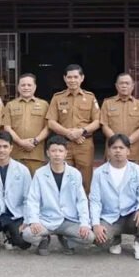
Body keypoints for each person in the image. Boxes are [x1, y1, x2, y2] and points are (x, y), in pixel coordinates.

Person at [22, 136, 95, 256]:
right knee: (27, 234)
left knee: (89, 237)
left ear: (66, 153)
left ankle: (67, 240)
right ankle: (44, 239)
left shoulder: (74, 174)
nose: (57, 154)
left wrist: (84, 224)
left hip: (68, 220)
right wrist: (34, 221)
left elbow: (81, 200)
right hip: (46, 220)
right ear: (48, 153)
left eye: (60, 151)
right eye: (53, 151)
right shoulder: (40, 174)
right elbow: (33, 199)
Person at [89, 134, 139, 261]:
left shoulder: (137, 170)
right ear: (108, 151)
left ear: (128, 151)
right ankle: (115, 240)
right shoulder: (99, 173)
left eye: (121, 147)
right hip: (110, 218)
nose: (118, 151)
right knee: (96, 239)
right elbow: (95, 201)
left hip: (131, 216)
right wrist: (96, 224)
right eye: (114, 148)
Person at [46, 64, 101, 192]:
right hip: (63, 144)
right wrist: (68, 133)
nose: (72, 80)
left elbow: (98, 121)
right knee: (64, 178)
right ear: (64, 78)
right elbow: (51, 122)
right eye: (69, 77)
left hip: (85, 144)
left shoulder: (90, 97)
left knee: (85, 179)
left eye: (76, 77)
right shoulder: (57, 97)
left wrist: (81, 131)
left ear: (82, 78)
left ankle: (85, 210)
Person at [1, 73, 50, 175]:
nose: (26, 87)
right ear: (18, 87)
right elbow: (7, 127)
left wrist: (35, 141)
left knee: (35, 186)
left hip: (36, 154)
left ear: (35, 87)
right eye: (23, 85)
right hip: (15, 154)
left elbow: (48, 127)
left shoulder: (44, 105)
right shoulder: (10, 105)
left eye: (29, 85)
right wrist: (20, 142)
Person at [99, 73, 139, 167]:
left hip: (134, 153)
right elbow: (104, 126)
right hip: (113, 152)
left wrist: (127, 142)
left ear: (132, 86)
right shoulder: (107, 103)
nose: (124, 86)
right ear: (116, 86)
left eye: (127, 83)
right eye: (121, 83)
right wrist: (117, 142)